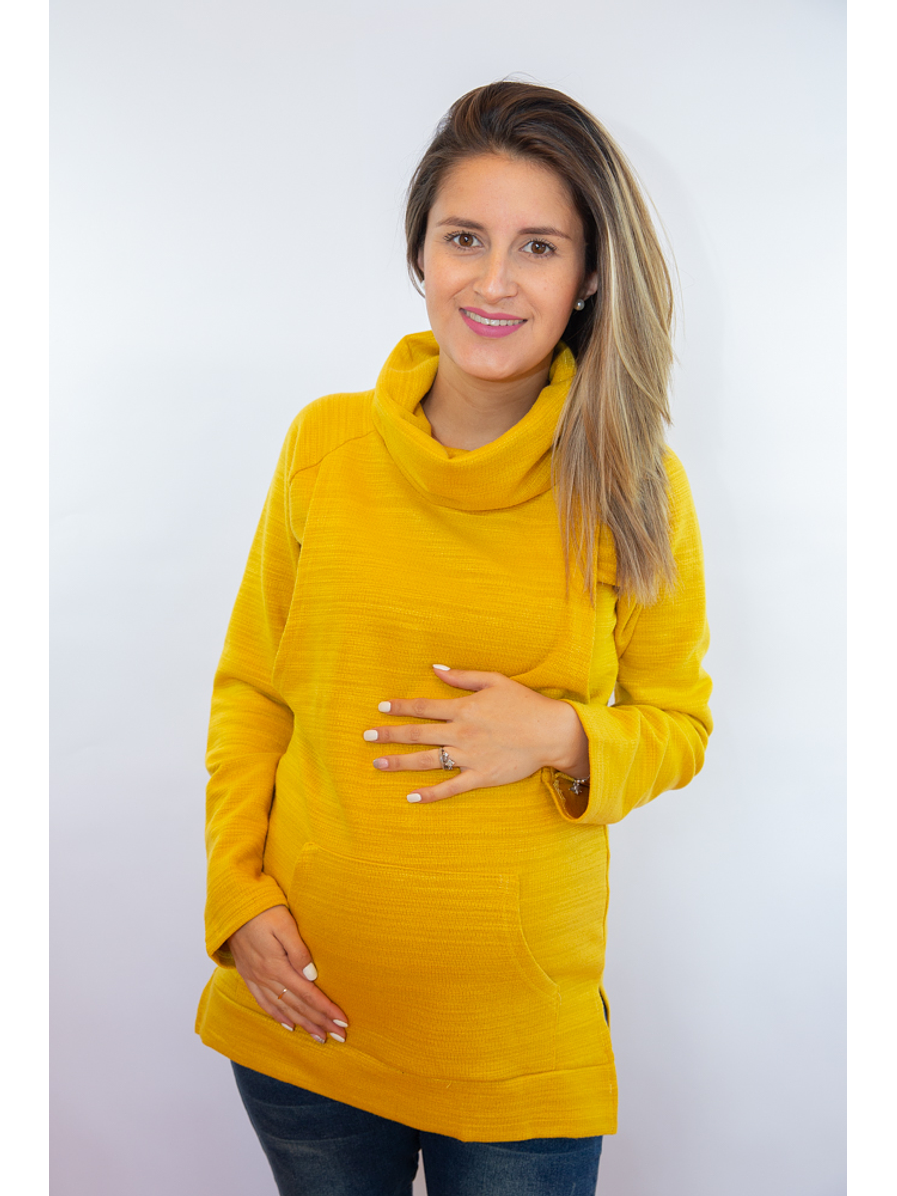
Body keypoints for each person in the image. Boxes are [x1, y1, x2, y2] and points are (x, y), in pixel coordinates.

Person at [197, 81, 712, 1195]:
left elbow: (679, 725)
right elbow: (254, 692)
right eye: (464, 237)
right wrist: (237, 898)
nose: (493, 280)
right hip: (309, 1019)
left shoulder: (633, 486)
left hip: (517, 1053)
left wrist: (562, 736)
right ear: (420, 252)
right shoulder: (325, 446)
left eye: (539, 247)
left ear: (587, 277)